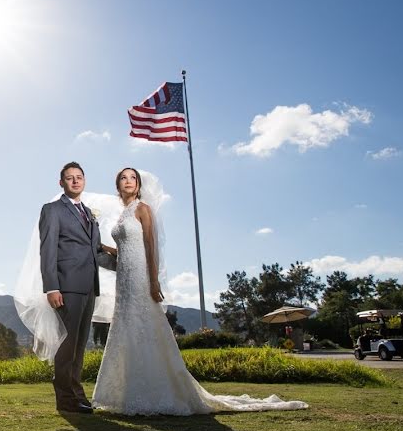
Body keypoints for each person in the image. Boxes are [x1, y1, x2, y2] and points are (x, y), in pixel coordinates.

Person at [90, 167, 308, 415]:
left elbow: (150, 247)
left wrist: (154, 281)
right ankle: (125, 392)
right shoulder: (123, 214)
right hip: (124, 281)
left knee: (145, 327)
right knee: (126, 327)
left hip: (141, 278)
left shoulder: (143, 209)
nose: (128, 181)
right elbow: (129, 250)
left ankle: (155, 392)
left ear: (138, 185)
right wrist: (105, 248)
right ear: (117, 185)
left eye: (133, 178)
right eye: (123, 178)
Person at [37, 162, 115, 414]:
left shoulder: (89, 213)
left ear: (84, 180)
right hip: (66, 286)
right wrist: (51, 287)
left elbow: (95, 252)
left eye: (79, 177)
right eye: (69, 178)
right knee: (67, 344)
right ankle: (66, 400)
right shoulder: (52, 210)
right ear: (61, 183)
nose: (75, 181)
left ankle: (77, 395)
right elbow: (47, 250)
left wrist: (125, 262)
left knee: (79, 345)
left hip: (89, 286)